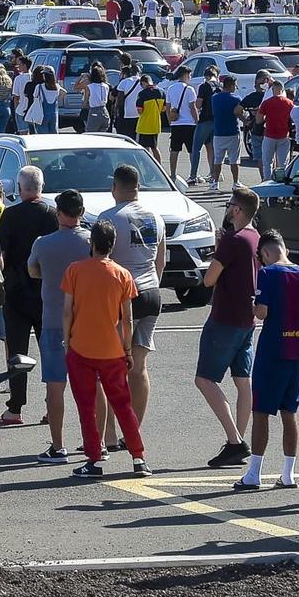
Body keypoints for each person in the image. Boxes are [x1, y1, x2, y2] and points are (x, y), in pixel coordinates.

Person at [64, 220, 149, 478]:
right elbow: (127, 319)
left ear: (92, 243)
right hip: (112, 350)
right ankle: (138, 457)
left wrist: (67, 342)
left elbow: (68, 310)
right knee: (123, 405)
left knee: (87, 407)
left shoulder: (75, 270)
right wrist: (127, 350)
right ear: (113, 245)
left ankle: (94, 458)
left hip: (81, 347)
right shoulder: (122, 274)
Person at [236, 229, 299, 491]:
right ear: (285, 248)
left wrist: (251, 304)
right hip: (296, 349)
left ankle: (255, 472)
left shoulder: (267, 274)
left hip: (272, 350)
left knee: (261, 411)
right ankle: (289, 472)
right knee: (289, 412)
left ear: (266, 252)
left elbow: (262, 311)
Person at [100, 164, 165, 452]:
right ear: (138, 186)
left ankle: (111, 433)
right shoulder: (155, 216)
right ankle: (133, 429)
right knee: (138, 367)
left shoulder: (109, 218)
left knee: (113, 367)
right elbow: (161, 260)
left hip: (123, 295)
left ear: (115, 187)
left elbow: (104, 263)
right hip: (151, 291)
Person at [26, 189, 91, 463]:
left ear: (58, 213)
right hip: (87, 321)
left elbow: (33, 271)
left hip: (53, 320)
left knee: (54, 384)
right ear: (82, 213)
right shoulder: (90, 241)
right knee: (92, 384)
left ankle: (58, 444)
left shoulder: (43, 243)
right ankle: (94, 441)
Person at [196, 188, 259, 468]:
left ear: (236, 210)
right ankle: (238, 440)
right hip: (247, 318)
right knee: (242, 380)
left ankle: (235, 440)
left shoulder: (233, 241)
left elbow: (209, 280)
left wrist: (217, 250)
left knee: (205, 379)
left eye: (230, 204)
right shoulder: (254, 236)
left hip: (225, 318)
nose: (227, 208)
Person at [0, 166, 56, 426]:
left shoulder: (10, 215)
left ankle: (15, 408)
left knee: (17, 352)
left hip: (17, 292)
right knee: (51, 352)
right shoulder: (53, 215)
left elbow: (1, 255)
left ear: (19, 189)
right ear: (41, 187)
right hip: (46, 293)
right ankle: (52, 407)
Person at [207, 75, 243, 190]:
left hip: (219, 132)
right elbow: (239, 113)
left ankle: (215, 183)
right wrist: (246, 120)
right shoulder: (236, 99)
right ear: (232, 85)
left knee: (218, 159)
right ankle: (235, 182)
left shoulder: (215, 98)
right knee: (234, 159)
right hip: (233, 131)